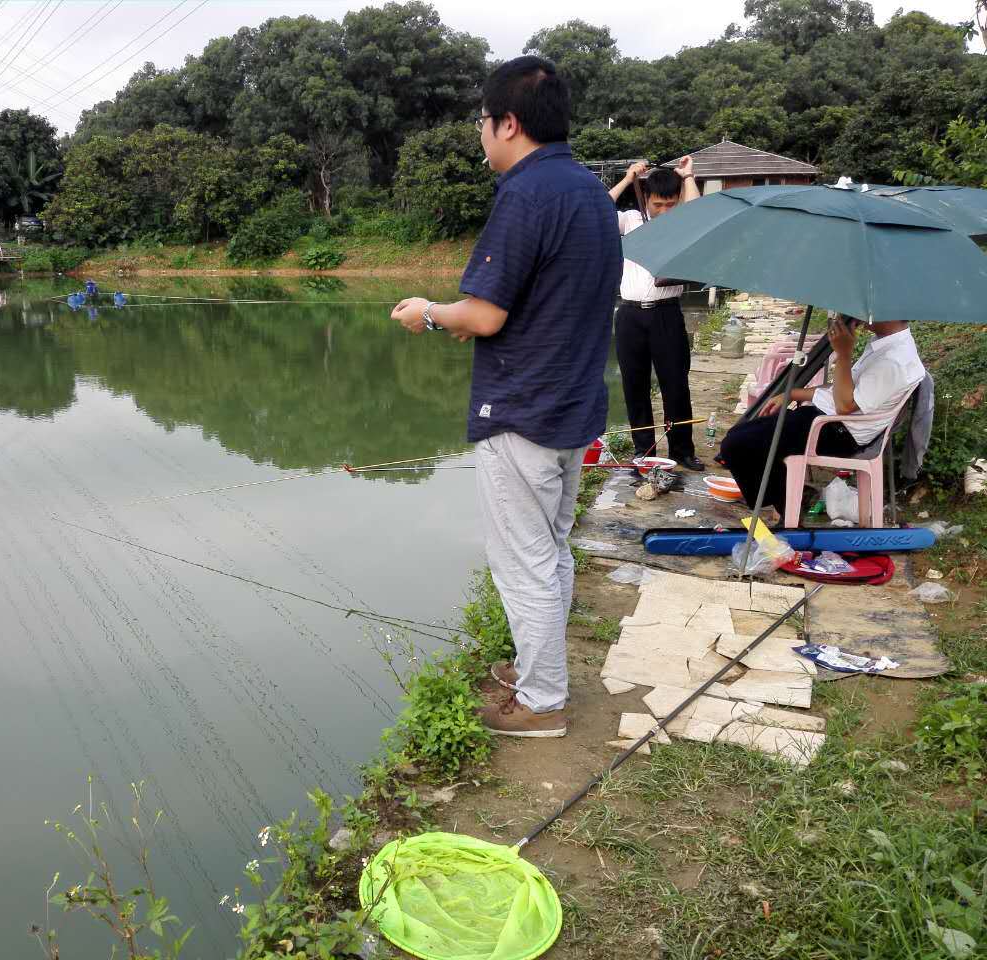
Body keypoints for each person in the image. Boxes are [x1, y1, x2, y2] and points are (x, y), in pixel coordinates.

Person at [390, 55, 622, 738]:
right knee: (551, 548)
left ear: (509, 124)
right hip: (573, 403)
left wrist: (431, 312)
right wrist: (474, 319)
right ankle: (537, 668)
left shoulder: (526, 194)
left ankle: (542, 702)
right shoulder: (589, 190)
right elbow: (539, 301)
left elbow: (485, 314)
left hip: (522, 408)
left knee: (522, 560)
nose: (481, 137)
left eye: (483, 124)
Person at [717, 315, 926, 514]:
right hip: (826, 417)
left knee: (737, 444)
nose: (860, 315)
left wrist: (843, 354)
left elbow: (845, 405)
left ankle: (788, 506)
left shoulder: (895, 361)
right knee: (740, 433)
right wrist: (792, 393)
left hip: (840, 432)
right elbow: (841, 389)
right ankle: (789, 496)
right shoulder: (885, 344)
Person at [608, 159, 703, 470]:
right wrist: (627, 178)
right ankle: (644, 450)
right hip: (629, 315)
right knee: (634, 386)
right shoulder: (631, 220)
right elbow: (597, 207)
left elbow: (698, 212)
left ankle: (682, 450)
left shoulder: (683, 222)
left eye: (670, 204)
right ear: (646, 199)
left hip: (666, 314)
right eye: (658, 204)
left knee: (675, 385)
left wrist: (687, 177)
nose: (664, 210)